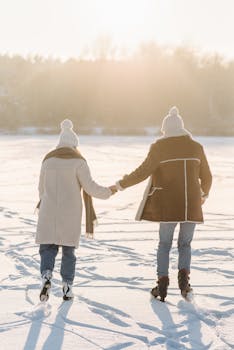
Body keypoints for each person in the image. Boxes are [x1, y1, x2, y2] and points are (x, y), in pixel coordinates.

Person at [114, 106, 212, 301]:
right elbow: (207, 176)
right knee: (185, 244)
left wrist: (120, 184)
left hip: (168, 205)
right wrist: (202, 195)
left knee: (164, 244)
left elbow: (142, 172)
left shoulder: (159, 147)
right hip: (191, 205)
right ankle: (184, 282)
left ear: (165, 129)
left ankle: (162, 283)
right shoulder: (196, 147)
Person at [36, 119, 116, 301]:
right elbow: (90, 187)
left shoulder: (47, 160)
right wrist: (109, 191)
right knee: (68, 252)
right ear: (74, 144)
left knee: (47, 247)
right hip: (70, 213)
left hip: (48, 211)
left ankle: (47, 274)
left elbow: (41, 189)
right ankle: (67, 286)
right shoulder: (79, 162)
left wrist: (45, 203)